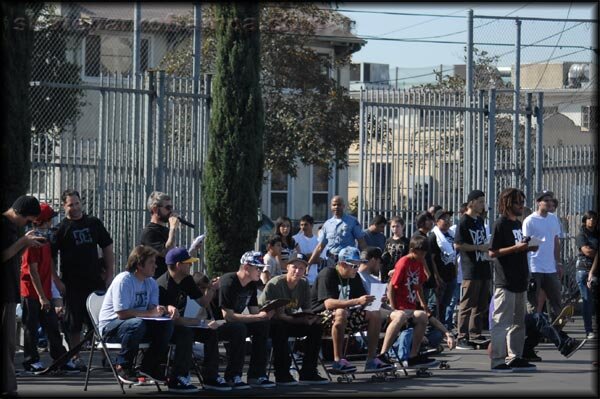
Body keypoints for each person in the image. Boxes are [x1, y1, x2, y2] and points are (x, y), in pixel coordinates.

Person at [52, 189, 114, 368]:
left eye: (77, 203)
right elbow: (49, 257)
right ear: (64, 206)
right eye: (71, 204)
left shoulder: (93, 223)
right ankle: (76, 358)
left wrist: (109, 273)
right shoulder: (61, 229)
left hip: (94, 280)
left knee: (100, 321)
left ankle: (106, 358)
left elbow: (107, 245)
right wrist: (57, 281)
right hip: (72, 283)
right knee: (74, 323)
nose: (75, 207)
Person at [98, 245, 176, 385]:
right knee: (136, 324)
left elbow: (152, 308)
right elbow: (122, 313)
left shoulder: (151, 283)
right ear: (139, 264)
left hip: (138, 325)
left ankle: (149, 366)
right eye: (151, 262)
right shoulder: (124, 280)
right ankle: (123, 365)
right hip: (111, 327)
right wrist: (149, 313)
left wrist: (163, 309)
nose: (156, 266)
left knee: (166, 323)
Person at [310, 246, 394, 373]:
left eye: (358, 265)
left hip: (347, 316)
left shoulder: (355, 277)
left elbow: (361, 302)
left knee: (374, 313)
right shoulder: (328, 274)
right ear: (343, 264)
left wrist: (375, 300)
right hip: (320, 318)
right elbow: (328, 304)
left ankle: (372, 359)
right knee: (340, 312)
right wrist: (357, 301)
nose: (357, 269)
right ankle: (338, 360)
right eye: (354, 266)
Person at [156, 247, 230, 392]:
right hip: (165, 328)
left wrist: (212, 289)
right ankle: (178, 378)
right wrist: (200, 322)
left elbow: (203, 302)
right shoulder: (162, 286)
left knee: (210, 332)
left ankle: (210, 377)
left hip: (182, 323)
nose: (191, 265)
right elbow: (171, 320)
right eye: (188, 263)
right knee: (185, 333)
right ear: (178, 265)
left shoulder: (187, 280)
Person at [20, 203, 78, 374]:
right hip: (31, 293)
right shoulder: (33, 242)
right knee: (31, 328)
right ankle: (31, 361)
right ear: (43, 221)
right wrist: (42, 297)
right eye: (50, 219)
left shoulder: (45, 241)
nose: (52, 223)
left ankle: (61, 359)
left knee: (52, 326)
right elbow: (33, 271)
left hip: (43, 292)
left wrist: (48, 295)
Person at [258, 253, 329, 385]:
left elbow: (307, 309)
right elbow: (279, 315)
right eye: (294, 267)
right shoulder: (276, 284)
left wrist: (313, 318)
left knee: (316, 328)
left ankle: (309, 372)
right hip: (270, 321)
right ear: (287, 267)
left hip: (289, 319)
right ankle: (282, 373)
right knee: (280, 328)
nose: (297, 271)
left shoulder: (304, 284)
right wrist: (301, 320)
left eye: (301, 268)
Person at [488, 187, 538, 373]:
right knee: (502, 323)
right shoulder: (500, 224)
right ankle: (498, 361)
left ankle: (515, 357)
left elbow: (518, 247)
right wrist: (516, 248)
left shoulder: (517, 224)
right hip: (506, 282)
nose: (521, 205)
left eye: (522, 202)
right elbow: (493, 252)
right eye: (518, 202)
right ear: (508, 204)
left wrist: (528, 247)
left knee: (519, 323)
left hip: (520, 280)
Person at [1, 195, 44, 395]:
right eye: (27, 221)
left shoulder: (10, 227)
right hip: (5, 294)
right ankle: (9, 388)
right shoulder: (3, 225)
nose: (26, 225)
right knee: (7, 343)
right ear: (19, 213)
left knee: (8, 344)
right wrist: (23, 242)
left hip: (9, 292)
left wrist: (25, 244)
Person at [218, 251, 276, 388]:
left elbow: (255, 312)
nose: (260, 271)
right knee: (239, 328)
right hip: (217, 323)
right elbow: (228, 316)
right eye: (258, 268)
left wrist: (266, 314)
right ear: (246, 267)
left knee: (262, 326)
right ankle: (233, 376)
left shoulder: (251, 284)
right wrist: (257, 317)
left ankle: (256, 375)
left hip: (234, 323)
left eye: (261, 268)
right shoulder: (228, 282)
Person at [388, 235, 438, 367]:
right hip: (400, 306)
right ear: (412, 250)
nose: (422, 256)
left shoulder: (419, 263)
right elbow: (392, 287)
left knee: (423, 317)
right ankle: (386, 354)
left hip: (410, 305)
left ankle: (413, 355)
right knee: (405, 322)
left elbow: (418, 286)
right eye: (420, 253)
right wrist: (394, 308)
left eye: (424, 254)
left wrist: (424, 304)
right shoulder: (404, 262)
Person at [487, 300, 587, 363]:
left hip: (512, 339)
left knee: (539, 322)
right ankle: (565, 345)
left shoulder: (513, 292)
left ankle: (527, 351)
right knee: (538, 319)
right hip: (504, 339)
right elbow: (498, 325)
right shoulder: (502, 295)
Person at [357, 247, 409, 363]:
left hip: (378, 309)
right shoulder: (357, 277)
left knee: (408, 315)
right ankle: (382, 354)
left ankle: (406, 353)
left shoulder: (375, 280)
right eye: (379, 262)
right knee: (400, 316)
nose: (380, 267)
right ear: (374, 260)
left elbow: (382, 304)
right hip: (366, 311)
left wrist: (390, 307)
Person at [454, 190, 492, 349]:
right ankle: (462, 335)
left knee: (481, 303)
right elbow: (458, 244)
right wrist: (478, 247)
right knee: (467, 303)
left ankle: (475, 332)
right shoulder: (464, 221)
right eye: (481, 202)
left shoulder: (480, 221)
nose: (483, 205)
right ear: (472, 202)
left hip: (483, 266)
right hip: (471, 268)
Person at [522, 190, 563, 319]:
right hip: (534, 267)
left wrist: (558, 262)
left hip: (550, 267)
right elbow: (525, 243)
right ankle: (534, 332)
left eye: (551, 200)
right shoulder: (529, 221)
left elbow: (556, 241)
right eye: (546, 200)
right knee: (534, 303)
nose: (550, 202)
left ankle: (556, 332)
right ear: (538, 203)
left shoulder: (553, 219)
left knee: (556, 301)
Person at [307, 196, 367, 268]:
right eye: (334, 205)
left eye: (339, 205)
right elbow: (320, 247)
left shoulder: (352, 221)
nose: (336, 207)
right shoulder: (327, 224)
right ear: (331, 207)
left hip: (347, 261)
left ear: (343, 206)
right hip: (331, 261)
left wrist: (363, 260)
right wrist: (309, 263)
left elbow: (361, 242)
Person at [140, 191, 180, 279]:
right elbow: (168, 253)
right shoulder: (149, 232)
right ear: (155, 209)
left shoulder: (166, 230)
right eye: (168, 207)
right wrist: (173, 229)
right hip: (157, 282)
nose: (171, 211)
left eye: (171, 207)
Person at [428, 209, 457, 325]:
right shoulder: (434, 237)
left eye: (448, 219)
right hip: (440, 276)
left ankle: (443, 329)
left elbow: (455, 255)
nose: (447, 221)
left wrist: (455, 271)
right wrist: (436, 276)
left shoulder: (451, 235)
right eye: (444, 218)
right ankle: (434, 329)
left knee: (445, 304)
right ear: (436, 221)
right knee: (436, 305)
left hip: (451, 275)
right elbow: (432, 259)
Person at [411, 211, 440, 321]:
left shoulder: (425, 236)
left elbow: (429, 258)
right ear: (422, 222)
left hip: (426, 277)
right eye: (429, 220)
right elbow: (421, 258)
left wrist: (435, 275)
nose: (432, 222)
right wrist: (429, 274)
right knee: (424, 304)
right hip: (421, 277)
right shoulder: (418, 237)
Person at [575, 211, 598, 339]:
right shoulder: (581, 235)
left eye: (594, 219)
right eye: (589, 218)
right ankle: (588, 330)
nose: (592, 221)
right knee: (587, 300)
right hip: (584, 270)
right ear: (585, 220)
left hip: (595, 270)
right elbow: (587, 251)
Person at [446, 202, 468, 332]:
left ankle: (461, 326)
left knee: (465, 301)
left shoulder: (482, 226)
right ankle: (447, 326)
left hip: (466, 271)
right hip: (456, 271)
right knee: (452, 300)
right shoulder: (454, 229)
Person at [381, 216, 410, 283]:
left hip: (401, 271)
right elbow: (385, 256)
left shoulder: (406, 242)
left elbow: (407, 259)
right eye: (393, 226)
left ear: (402, 226)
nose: (395, 229)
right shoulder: (388, 241)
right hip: (388, 273)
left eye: (397, 226)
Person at [292, 215, 320, 285]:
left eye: (306, 225)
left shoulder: (318, 240)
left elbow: (319, 260)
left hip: (313, 279)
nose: (303, 227)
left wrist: (303, 256)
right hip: (298, 278)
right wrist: (313, 255)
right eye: (301, 225)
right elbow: (295, 258)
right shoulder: (295, 239)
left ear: (312, 225)